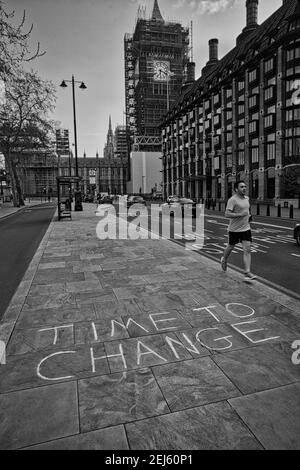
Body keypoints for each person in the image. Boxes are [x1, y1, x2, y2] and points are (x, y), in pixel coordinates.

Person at [221, 180, 256, 281]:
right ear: (236, 189)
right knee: (230, 246)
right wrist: (240, 215)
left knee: (247, 250)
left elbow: (247, 210)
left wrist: (249, 216)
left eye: (245, 186)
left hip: (246, 228)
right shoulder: (232, 200)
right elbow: (227, 214)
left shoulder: (247, 198)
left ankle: (247, 272)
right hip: (234, 230)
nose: (244, 188)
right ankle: (224, 259)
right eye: (241, 187)